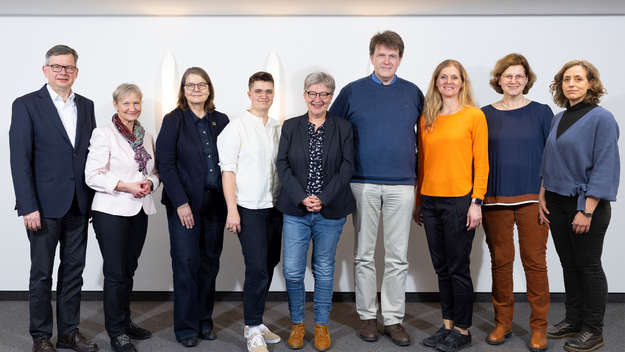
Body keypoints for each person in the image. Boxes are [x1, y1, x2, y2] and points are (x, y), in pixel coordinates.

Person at [329, 30, 424, 346]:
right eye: (382, 55)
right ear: (371, 58)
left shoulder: (412, 93)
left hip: (401, 185)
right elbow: (333, 133)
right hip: (362, 183)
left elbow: (426, 139)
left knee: (397, 257)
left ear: (400, 59)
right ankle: (368, 316)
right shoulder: (352, 92)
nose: (387, 60)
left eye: (393, 55)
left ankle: (394, 319)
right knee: (364, 255)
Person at [9, 44, 99, 352]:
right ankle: (41, 336)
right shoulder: (25, 105)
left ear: (76, 72)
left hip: (78, 203)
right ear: (46, 70)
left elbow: (90, 155)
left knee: (74, 272)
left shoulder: (86, 106)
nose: (63, 72)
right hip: (43, 207)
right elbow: (19, 159)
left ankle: (69, 334)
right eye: (57, 67)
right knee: (42, 274)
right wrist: (28, 205)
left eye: (69, 67)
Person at [539, 60, 619, 352]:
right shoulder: (558, 118)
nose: (571, 84)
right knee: (568, 264)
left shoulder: (602, 118)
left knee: (588, 266)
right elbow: (549, 160)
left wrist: (587, 209)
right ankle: (573, 320)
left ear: (590, 84)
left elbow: (605, 165)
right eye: (566, 79)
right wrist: (542, 194)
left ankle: (593, 330)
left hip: (585, 205)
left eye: (578, 79)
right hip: (556, 202)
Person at [277, 72, 356, 351]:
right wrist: (302, 197)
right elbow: (282, 165)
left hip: (330, 210)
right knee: (293, 271)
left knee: (323, 270)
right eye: (312, 93)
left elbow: (347, 166)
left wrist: (322, 197)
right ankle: (297, 324)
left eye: (323, 94)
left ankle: (322, 326)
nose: (317, 99)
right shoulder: (291, 126)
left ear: (331, 97)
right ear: (304, 95)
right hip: (295, 210)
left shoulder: (343, 127)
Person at [480, 54, 553, 352]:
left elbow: (553, 157)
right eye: (508, 75)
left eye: (519, 76)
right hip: (494, 199)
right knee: (501, 263)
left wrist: (546, 194)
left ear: (527, 79)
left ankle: (539, 327)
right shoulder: (483, 114)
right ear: (499, 79)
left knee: (535, 263)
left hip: (533, 199)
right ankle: (503, 323)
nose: (513, 80)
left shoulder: (542, 112)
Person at [414, 59, 488, 352]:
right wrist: (419, 202)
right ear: (436, 82)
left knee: (458, 268)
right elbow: (422, 164)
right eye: (442, 77)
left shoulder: (474, 116)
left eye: (454, 77)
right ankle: (447, 325)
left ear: (462, 82)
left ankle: (463, 329)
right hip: (430, 201)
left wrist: (476, 202)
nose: (448, 81)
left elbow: (482, 163)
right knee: (441, 267)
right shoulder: (427, 118)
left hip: (460, 201)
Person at [155, 67, 229, 348]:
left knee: (209, 265)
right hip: (183, 206)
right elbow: (166, 163)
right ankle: (186, 327)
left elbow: (230, 162)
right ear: (183, 90)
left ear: (209, 88)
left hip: (215, 204)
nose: (196, 89)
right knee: (186, 265)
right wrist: (181, 203)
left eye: (201, 84)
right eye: (190, 85)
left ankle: (204, 321)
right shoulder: (174, 120)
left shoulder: (220, 120)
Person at [85, 84, 159, 352]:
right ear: (116, 105)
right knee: (115, 272)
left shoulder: (147, 136)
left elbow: (154, 171)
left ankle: (125, 321)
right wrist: (125, 186)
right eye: (126, 103)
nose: (132, 108)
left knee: (129, 269)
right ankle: (116, 332)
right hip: (111, 211)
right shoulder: (103, 134)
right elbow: (92, 174)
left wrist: (150, 182)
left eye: (136, 103)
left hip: (139, 210)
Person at [216, 72, 282, 352]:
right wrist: (232, 210)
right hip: (248, 208)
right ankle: (252, 327)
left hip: (275, 207)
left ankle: (255, 321)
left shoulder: (278, 127)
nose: (264, 95)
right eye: (258, 91)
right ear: (249, 94)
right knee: (256, 268)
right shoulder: (236, 128)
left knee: (269, 264)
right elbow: (227, 172)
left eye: (268, 91)